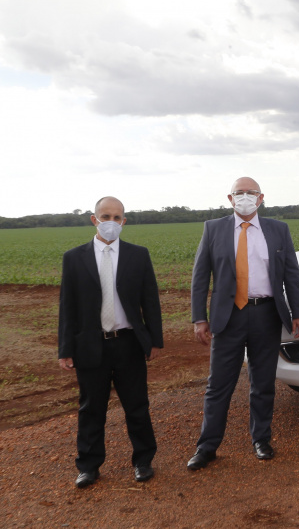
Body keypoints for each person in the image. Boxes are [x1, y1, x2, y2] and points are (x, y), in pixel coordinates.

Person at [188, 177, 299, 470]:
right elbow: (200, 277)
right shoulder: (213, 229)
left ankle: (261, 439)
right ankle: (207, 446)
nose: (245, 197)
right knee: (218, 384)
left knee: (263, 382)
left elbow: (291, 274)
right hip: (228, 317)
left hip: (266, 314)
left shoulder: (278, 230)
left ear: (261, 197)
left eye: (250, 192)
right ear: (230, 199)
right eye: (239, 193)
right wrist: (199, 318)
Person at [58, 196, 163, 488]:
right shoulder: (74, 258)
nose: (111, 222)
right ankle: (88, 466)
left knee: (136, 405)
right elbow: (67, 307)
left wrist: (154, 340)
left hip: (128, 342)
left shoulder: (138, 255)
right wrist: (65, 349)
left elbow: (150, 301)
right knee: (91, 408)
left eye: (117, 218)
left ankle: (143, 460)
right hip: (90, 344)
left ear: (124, 222)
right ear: (94, 219)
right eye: (106, 216)